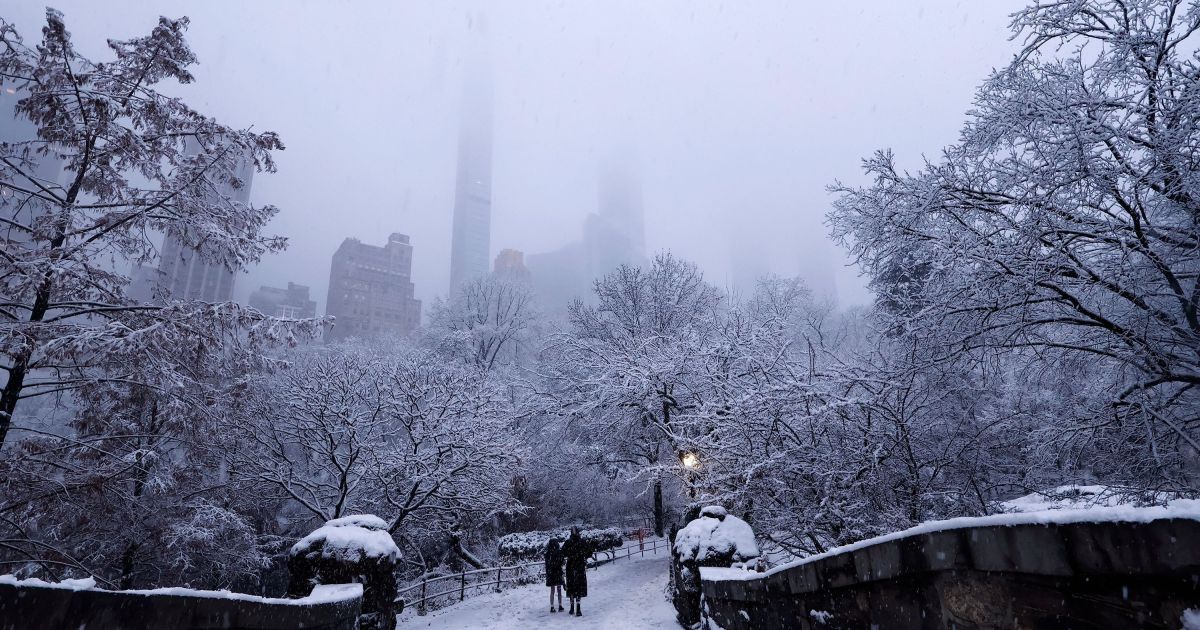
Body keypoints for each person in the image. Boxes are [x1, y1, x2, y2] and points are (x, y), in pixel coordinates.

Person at [561, 526, 591, 617]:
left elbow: (563, 553)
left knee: (571, 586)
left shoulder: (568, 542)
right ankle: (578, 608)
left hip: (570, 566)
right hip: (580, 566)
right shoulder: (582, 542)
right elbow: (589, 552)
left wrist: (570, 554)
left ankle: (571, 607)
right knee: (579, 586)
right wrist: (582, 555)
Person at [544, 537, 565, 613]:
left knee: (552, 590)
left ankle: (552, 606)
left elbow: (547, 565)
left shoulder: (548, 553)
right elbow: (562, 562)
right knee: (559, 589)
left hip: (551, 573)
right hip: (558, 572)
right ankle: (560, 605)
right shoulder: (559, 552)